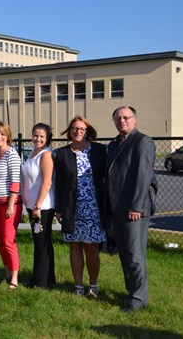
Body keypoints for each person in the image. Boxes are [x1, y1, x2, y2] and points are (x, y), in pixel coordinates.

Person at [106, 106, 156, 313]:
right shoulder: (114, 144)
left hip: (134, 209)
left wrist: (136, 206)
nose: (122, 121)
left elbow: (143, 176)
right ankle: (132, 291)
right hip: (117, 208)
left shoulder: (143, 141)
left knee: (135, 256)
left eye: (126, 117)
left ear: (134, 120)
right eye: (118, 118)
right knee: (125, 255)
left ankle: (138, 299)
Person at [54, 116, 107, 298]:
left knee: (91, 247)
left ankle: (93, 285)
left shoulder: (100, 150)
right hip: (71, 208)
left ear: (87, 131)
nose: (78, 132)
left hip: (93, 208)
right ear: (69, 131)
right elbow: (59, 183)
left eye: (82, 129)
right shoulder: (61, 154)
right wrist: (59, 209)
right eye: (74, 128)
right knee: (75, 246)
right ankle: (78, 286)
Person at [21, 123, 56, 289]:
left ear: (47, 137)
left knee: (41, 243)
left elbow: (47, 182)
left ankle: (40, 282)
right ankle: (48, 278)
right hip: (32, 205)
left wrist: (38, 206)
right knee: (42, 242)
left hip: (42, 207)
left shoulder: (46, 155)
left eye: (42, 136)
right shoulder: (33, 153)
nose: (38, 138)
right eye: (35, 135)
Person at [0, 121, 22, 289]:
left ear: (8, 136)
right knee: (0, 240)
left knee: (9, 241)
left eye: (2, 134)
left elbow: (16, 182)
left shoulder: (12, 155)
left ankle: (15, 277)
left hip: (9, 204)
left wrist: (10, 205)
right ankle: (6, 271)